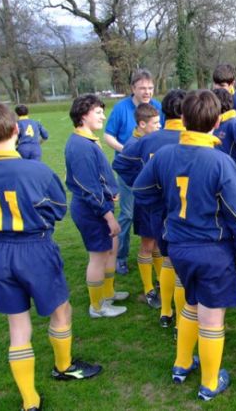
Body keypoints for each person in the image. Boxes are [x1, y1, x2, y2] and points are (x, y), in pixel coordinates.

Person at [0, 102, 102, 411]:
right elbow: (58, 209)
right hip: (36, 247)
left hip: (0, 251)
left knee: (17, 327)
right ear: (17, 129)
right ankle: (63, 366)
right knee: (61, 311)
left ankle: (29, 401)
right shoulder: (37, 169)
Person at [133, 90, 236, 401]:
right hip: (213, 251)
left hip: (179, 249)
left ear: (183, 120)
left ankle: (182, 363)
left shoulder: (164, 156)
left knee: (190, 303)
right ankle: (210, 382)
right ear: (217, 123)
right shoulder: (221, 162)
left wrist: (166, 217)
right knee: (212, 316)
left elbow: (142, 191)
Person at [113, 90, 187, 330]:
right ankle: (171, 309)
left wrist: (142, 184)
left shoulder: (147, 139)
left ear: (164, 113)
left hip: (151, 203)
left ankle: (165, 311)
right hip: (181, 206)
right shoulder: (190, 138)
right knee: (174, 260)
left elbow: (120, 163)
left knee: (162, 255)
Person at [65, 94, 128, 318]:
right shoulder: (80, 146)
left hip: (100, 207)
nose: (103, 115)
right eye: (98, 112)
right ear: (84, 115)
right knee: (98, 256)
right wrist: (108, 215)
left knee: (110, 248)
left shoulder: (87, 140)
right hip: (92, 210)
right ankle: (97, 307)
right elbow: (89, 187)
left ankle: (108, 293)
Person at [104, 69, 163, 275]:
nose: (147, 92)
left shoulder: (157, 107)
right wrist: (128, 151)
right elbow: (108, 136)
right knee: (128, 214)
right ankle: (120, 256)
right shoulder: (121, 109)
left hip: (151, 171)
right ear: (133, 89)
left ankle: (156, 253)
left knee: (154, 214)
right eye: (142, 88)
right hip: (129, 170)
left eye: (150, 88)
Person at [113, 103, 162, 309]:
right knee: (147, 245)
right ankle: (148, 288)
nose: (159, 126)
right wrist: (139, 184)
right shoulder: (133, 143)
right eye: (155, 123)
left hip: (157, 201)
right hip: (144, 203)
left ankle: (160, 280)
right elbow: (119, 165)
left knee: (158, 243)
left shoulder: (154, 139)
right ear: (142, 124)